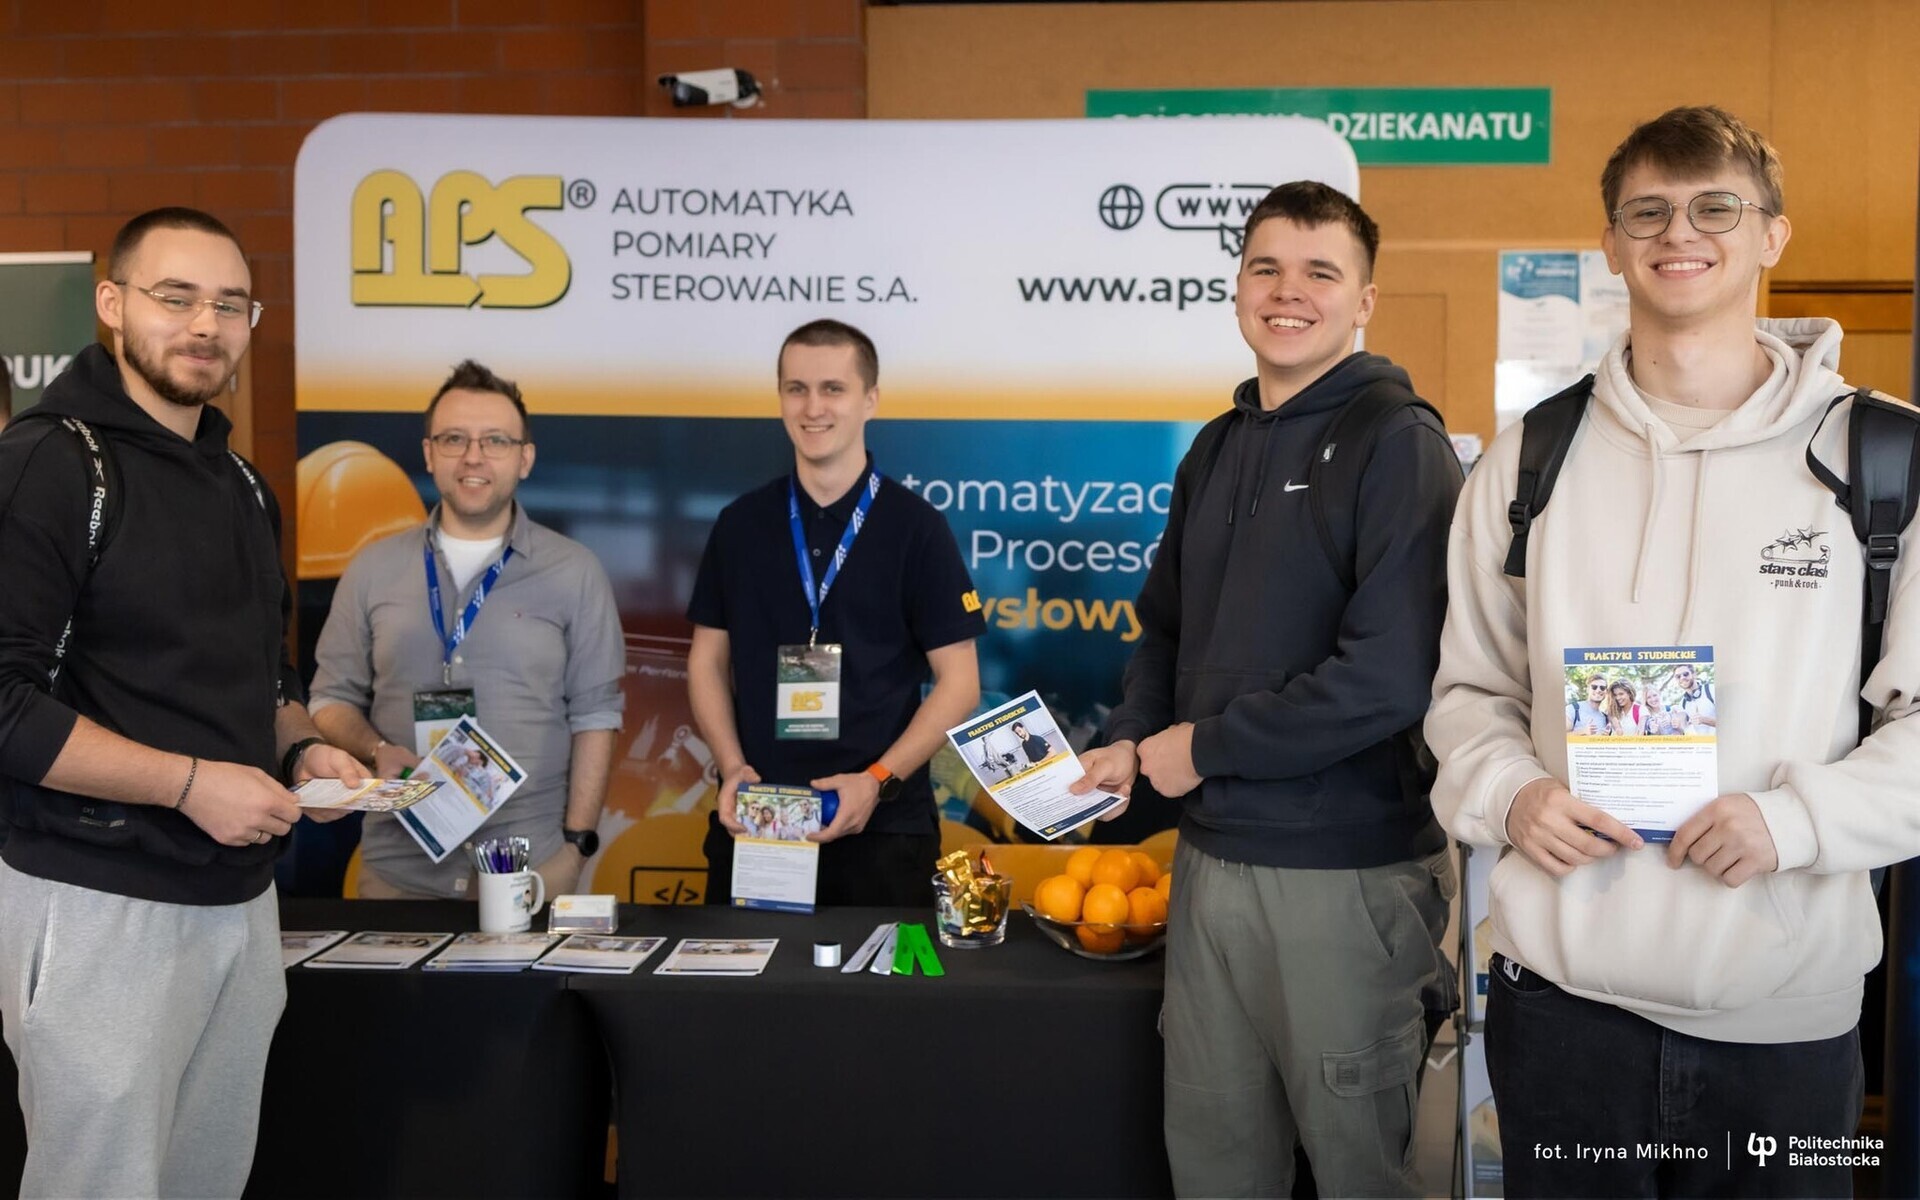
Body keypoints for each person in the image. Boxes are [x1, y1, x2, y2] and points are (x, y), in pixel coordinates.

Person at [1427, 106, 1920, 1198]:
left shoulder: (1885, 457)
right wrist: (1510, 793)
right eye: (1646, 212)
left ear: (1773, 234)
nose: (1678, 233)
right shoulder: (1530, 461)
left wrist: (1794, 822)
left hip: (1786, 1032)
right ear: (1611, 244)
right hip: (1562, 1016)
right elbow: (1470, 691)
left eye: (1715, 208)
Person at [1072, 181, 1462, 1197]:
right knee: (1216, 1163)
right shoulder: (1214, 447)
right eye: (1266, 268)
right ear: (1239, 286)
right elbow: (1165, 630)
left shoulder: (1399, 442)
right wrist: (1133, 736)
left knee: (1359, 1170)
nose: (1289, 292)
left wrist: (1203, 748)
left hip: (1344, 879)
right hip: (1209, 865)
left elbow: (1388, 678)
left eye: (1320, 272)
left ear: (1364, 300)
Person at [0, 206, 364, 1197]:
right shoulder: (51, 463)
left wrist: (301, 750)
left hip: (238, 905)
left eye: (231, 304)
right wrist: (191, 784)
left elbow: (265, 677)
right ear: (112, 304)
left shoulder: (243, 482)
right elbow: (6, 705)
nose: (206, 324)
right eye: (176, 297)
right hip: (96, 901)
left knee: (207, 1181)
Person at [687, 319, 983, 907]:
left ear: (870, 399)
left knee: (881, 974)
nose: (813, 407)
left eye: (833, 389)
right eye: (796, 389)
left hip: (883, 828)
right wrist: (730, 764)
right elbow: (706, 663)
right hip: (760, 817)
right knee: (749, 972)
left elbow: (961, 683)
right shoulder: (740, 525)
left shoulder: (917, 528)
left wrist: (876, 781)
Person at [309, 360, 625, 899]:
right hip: (397, 871)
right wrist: (374, 746)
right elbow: (329, 699)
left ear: (525, 458)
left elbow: (596, 715)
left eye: (495, 441)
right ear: (429, 453)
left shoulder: (575, 571)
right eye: (454, 439)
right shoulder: (372, 568)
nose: (473, 457)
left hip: (529, 868)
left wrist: (575, 846)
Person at [1673, 661, 1718, 732]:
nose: (1682, 678)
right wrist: (1677, 725)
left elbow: (1729, 721)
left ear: (1694, 674)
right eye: (1678, 676)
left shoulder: (1712, 690)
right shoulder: (1682, 704)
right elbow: (1684, 730)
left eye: (1685, 674)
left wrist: (1704, 720)